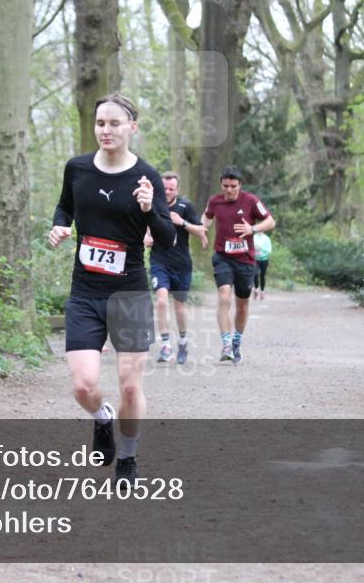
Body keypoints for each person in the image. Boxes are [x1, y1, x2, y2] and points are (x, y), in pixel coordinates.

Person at [48, 92, 175, 485]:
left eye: (114, 123)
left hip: (130, 293)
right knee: (84, 385)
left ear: (131, 128)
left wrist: (150, 208)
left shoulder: (147, 177)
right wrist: (60, 226)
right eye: (100, 123)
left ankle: (129, 459)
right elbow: (64, 206)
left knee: (130, 385)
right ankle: (102, 418)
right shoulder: (78, 168)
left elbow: (167, 239)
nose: (106, 130)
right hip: (85, 292)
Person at [202, 166, 275, 365]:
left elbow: (270, 221)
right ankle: (225, 343)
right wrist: (202, 230)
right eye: (225, 186)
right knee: (224, 295)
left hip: (245, 261)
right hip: (223, 257)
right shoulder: (214, 201)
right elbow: (207, 217)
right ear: (221, 185)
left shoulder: (250, 201)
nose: (229, 190)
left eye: (233, 186)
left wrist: (252, 228)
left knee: (242, 305)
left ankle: (236, 341)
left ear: (240, 185)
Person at [143, 171, 208, 364]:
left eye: (171, 189)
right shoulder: (152, 205)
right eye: (165, 188)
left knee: (180, 307)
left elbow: (201, 230)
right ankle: (165, 346)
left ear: (177, 190)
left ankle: (182, 342)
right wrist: (145, 237)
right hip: (159, 262)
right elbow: (143, 229)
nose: (168, 192)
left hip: (181, 265)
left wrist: (183, 222)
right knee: (162, 301)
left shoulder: (184, 206)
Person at [253, 231, 272, 300]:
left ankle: (262, 291)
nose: (259, 230)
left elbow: (269, 251)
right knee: (255, 274)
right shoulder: (254, 237)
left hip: (264, 259)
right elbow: (250, 247)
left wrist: (260, 248)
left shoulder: (266, 238)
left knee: (262, 276)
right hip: (255, 259)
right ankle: (255, 290)